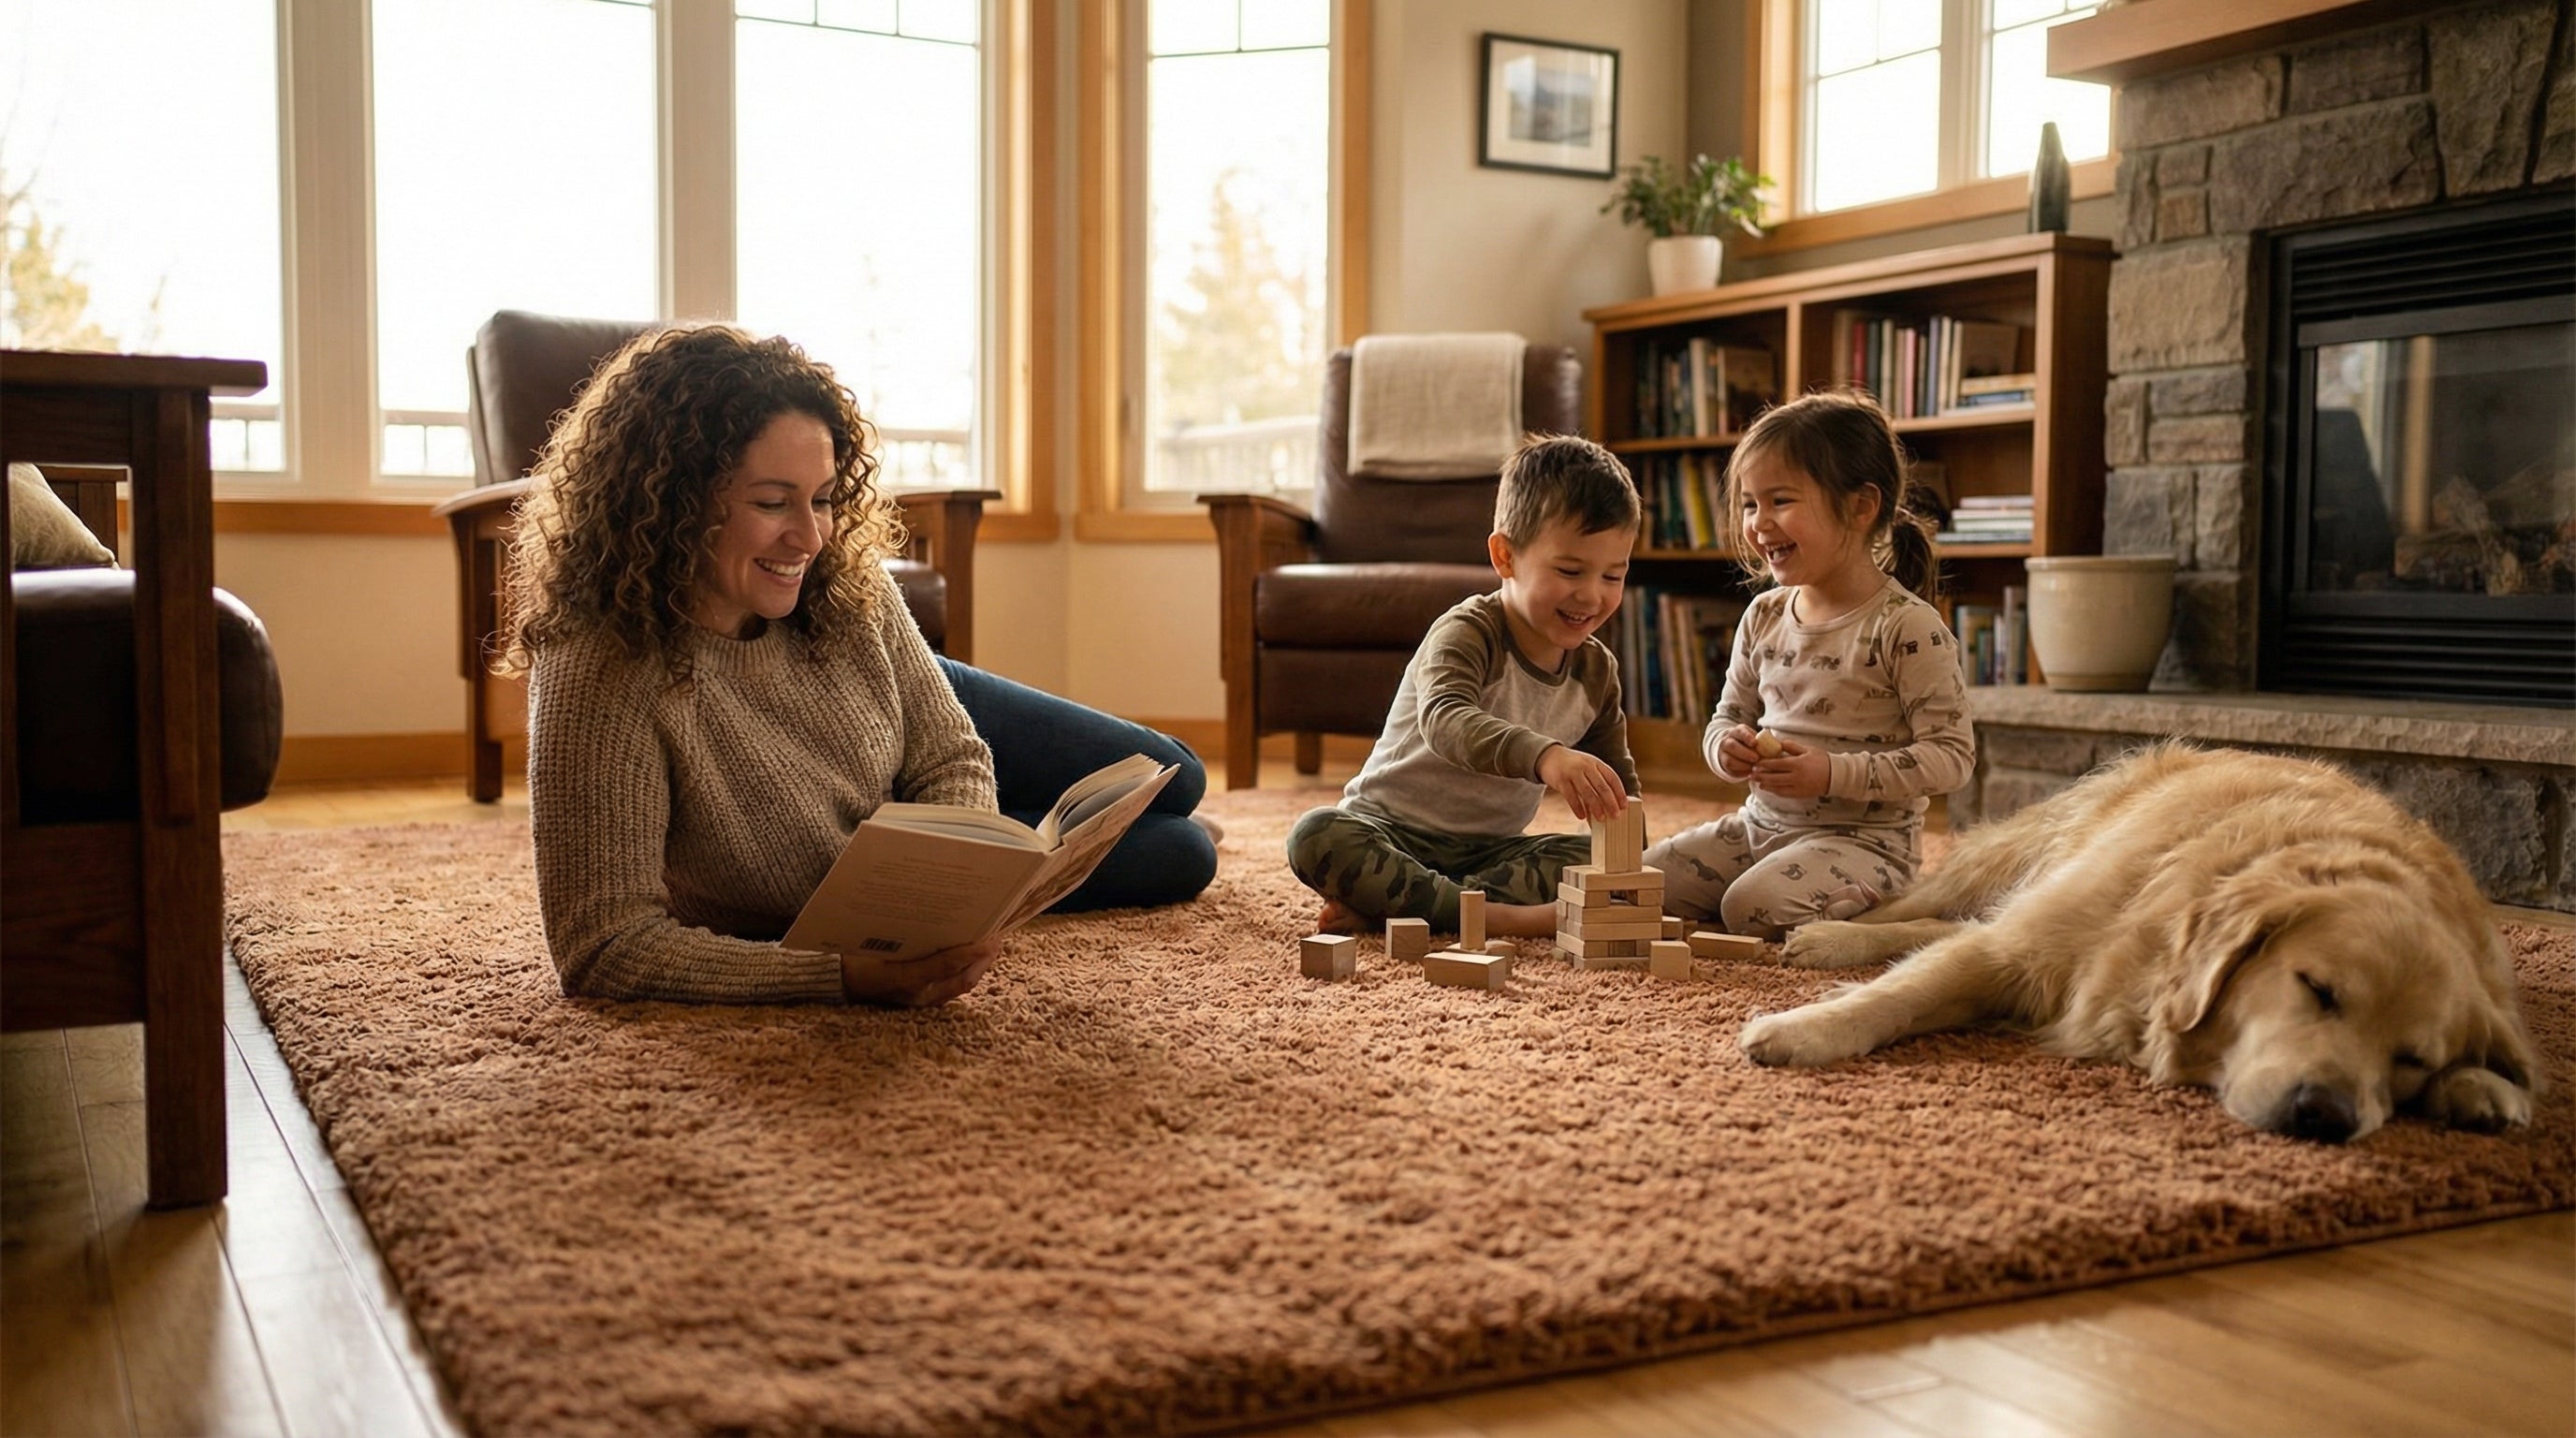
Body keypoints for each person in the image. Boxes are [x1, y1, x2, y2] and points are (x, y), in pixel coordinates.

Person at [502, 324, 1216, 1007]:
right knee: (1182, 851)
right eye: (772, 502)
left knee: (1177, 775)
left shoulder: (845, 586)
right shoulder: (601, 666)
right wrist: (844, 976)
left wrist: (954, 879)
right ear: (671, 505)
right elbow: (603, 947)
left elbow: (951, 755)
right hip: (857, 808)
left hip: (885, 698)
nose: (809, 536)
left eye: (821, 499)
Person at [1285, 434, 1643, 940]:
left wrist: (1633, 860)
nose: (1591, 595)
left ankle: (1412, 907)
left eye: (1614, 575)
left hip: (1487, 853)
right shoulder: (1469, 631)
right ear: (1505, 557)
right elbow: (1445, 720)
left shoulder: (1596, 671)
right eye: (1569, 570)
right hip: (1390, 832)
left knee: (1589, 859)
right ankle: (1493, 917)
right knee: (1316, 836)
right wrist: (1547, 756)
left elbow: (1617, 782)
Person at [1644, 389, 1973, 936]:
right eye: (1751, 504)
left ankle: (1892, 910)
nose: (1758, 523)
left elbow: (1951, 758)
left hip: (1864, 844)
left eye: (1780, 501)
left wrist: (1829, 772)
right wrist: (1724, 749)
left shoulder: (1905, 627)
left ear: (1860, 507)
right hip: (1760, 826)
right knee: (1638, 883)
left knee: (1750, 909)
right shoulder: (1764, 614)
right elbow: (1727, 716)